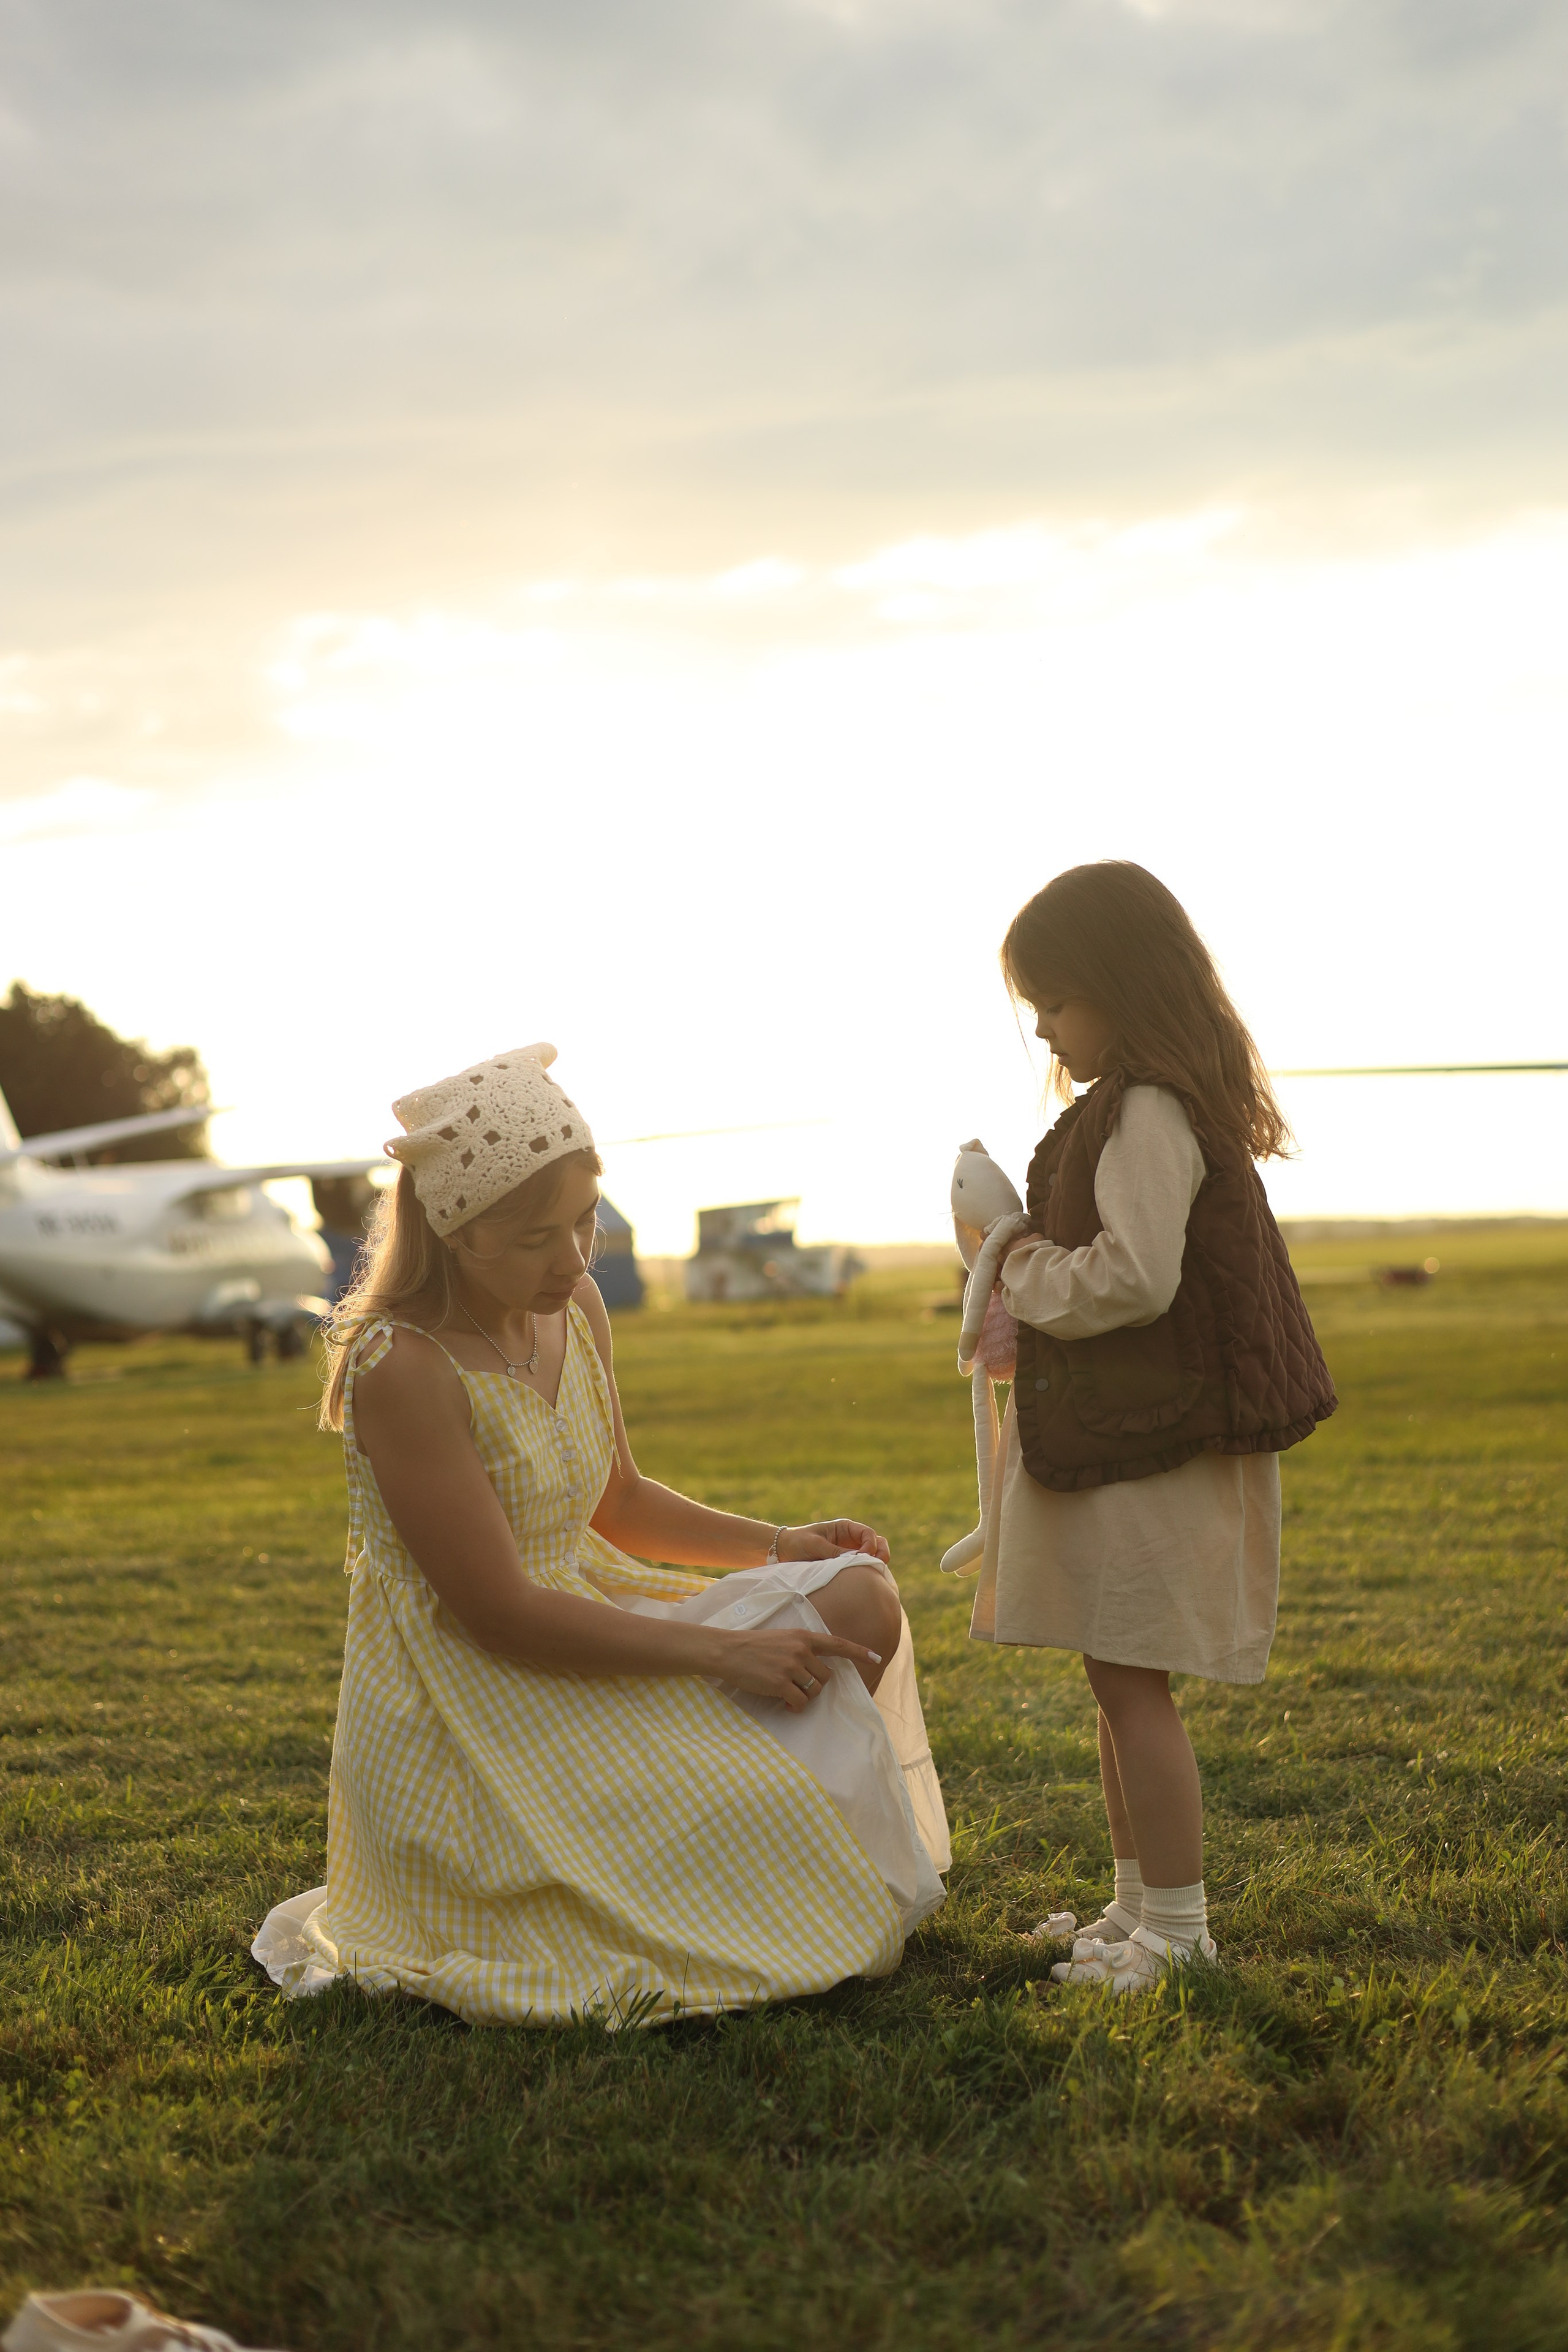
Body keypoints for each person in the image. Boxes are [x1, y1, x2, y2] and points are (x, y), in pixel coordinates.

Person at [253, 1044, 948, 2027]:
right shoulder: (401, 1365)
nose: (577, 1259)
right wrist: (725, 1653)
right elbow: (498, 1615)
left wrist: (785, 1543)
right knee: (756, 1736)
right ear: (458, 1231)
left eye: (585, 1222)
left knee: (857, 1595)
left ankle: (756, 1834)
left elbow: (618, 1500)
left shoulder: (571, 1307)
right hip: (477, 1691)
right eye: (539, 1236)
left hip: (591, 1605)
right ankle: (751, 1841)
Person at [965, 864, 1335, 1994]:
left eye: (1055, 1002)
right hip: (1134, 1431)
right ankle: (1136, 1907)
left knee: (1135, 1684)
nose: (1044, 1030)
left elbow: (1134, 1279)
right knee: (1112, 1677)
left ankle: (1180, 1932)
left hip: (1161, 1445)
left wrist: (1012, 1256)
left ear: (1120, 986)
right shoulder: (1129, 1104)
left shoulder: (1153, 1110)